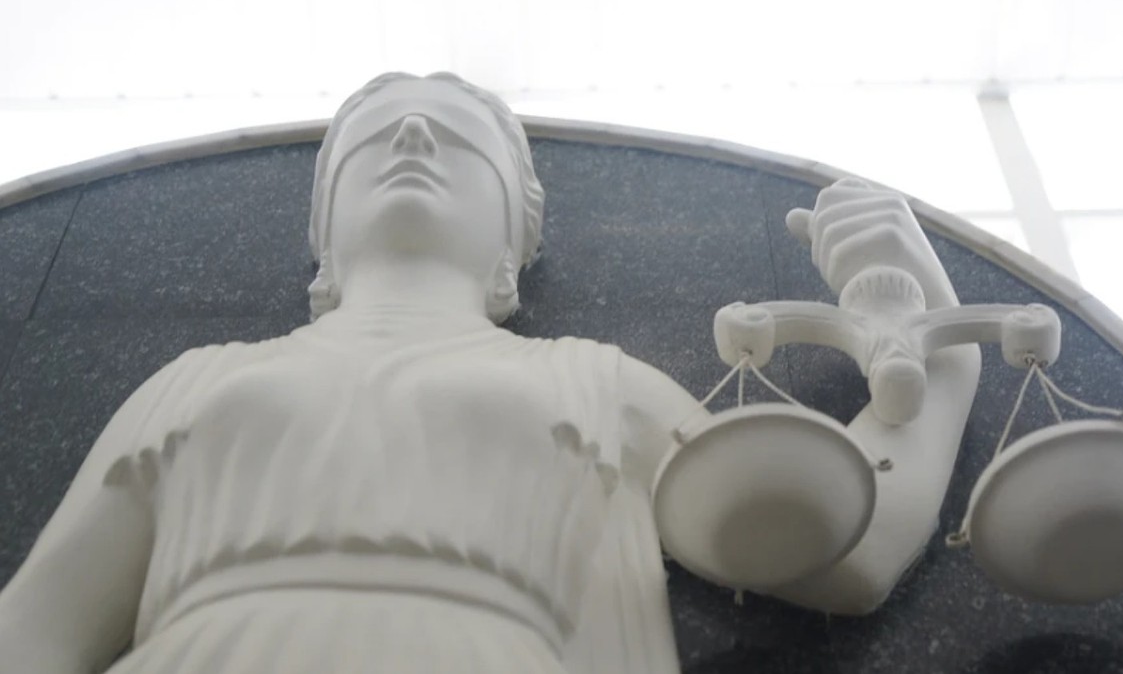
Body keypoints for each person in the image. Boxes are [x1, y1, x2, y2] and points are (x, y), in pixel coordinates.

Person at [0, 73, 980, 673]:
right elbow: (32, 635)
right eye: (376, 138)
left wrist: (936, 337)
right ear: (321, 254)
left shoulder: (596, 385)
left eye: (457, 140)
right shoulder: (193, 383)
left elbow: (849, 549)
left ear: (513, 255)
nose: (413, 139)